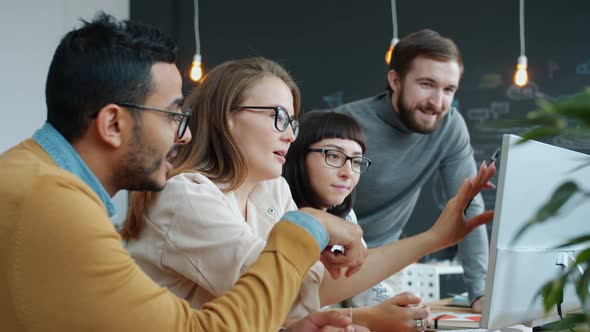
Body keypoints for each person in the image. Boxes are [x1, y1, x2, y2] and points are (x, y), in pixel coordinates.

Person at [0, 13, 369, 332]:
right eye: (173, 116)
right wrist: (307, 226)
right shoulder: (52, 206)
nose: (186, 133)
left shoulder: (36, 182)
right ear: (113, 123)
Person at [121, 57, 495, 331]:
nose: (290, 134)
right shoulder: (185, 195)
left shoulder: (271, 189)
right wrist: (314, 223)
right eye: (278, 117)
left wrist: (433, 239)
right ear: (225, 117)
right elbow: (281, 294)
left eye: (292, 122)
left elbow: (309, 291)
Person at [282, 110, 495, 330]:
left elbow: (364, 289)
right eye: (334, 156)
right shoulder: (278, 212)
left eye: (356, 161)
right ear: (298, 154)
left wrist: (396, 309)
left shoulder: (345, 216)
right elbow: (288, 315)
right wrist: (367, 317)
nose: (348, 172)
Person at [334, 29, 489, 310]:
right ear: (395, 80)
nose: (437, 101)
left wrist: (480, 292)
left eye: (448, 89)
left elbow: (468, 205)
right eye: (427, 84)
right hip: (325, 258)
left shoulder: (449, 127)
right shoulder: (345, 123)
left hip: (385, 262)